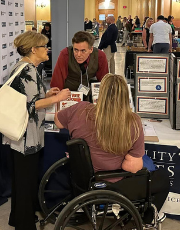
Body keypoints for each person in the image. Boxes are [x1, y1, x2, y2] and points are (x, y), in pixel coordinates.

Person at [55, 74, 171, 223]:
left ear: (100, 93)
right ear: (125, 96)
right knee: (162, 177)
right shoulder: (132, 121)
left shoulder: (80, 109)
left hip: (82, 180)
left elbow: (58, 121)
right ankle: (147, 219)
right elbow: (131, 167)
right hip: (113, 186)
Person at [6, 31, 71, 230]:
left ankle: (17, 218)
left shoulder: (26, 67)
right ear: (34, 50)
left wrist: (47, 93)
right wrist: (56, 99)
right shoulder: (28, 70)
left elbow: (28, 97)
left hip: (23, 135)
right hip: (26, 136)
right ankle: (24, 224)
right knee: (25, 182)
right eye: (44, 46)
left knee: (22, 180)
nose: (47, 50)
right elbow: (31, 105)